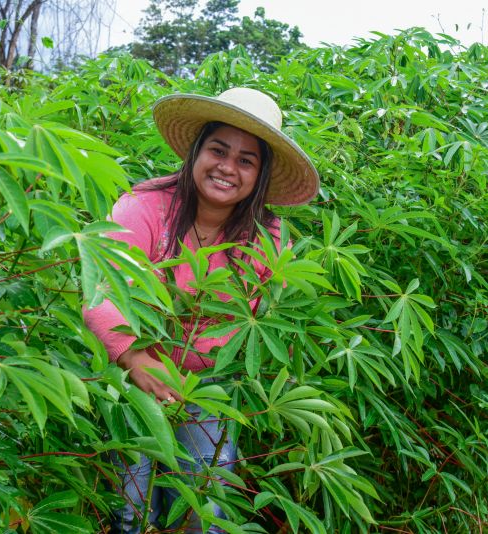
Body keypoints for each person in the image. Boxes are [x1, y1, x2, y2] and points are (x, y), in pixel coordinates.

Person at [83, 87, 319, 533]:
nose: (228, 167)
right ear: (197, 151)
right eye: (218, 150)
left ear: (261, 175)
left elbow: (264, 319)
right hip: (129, 376)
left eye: (247, 160)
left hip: (205, 386)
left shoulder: (269, 237)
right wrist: (134, 356)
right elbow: (101, 290)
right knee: (130, 507)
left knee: (203, 507)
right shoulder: (144, 207)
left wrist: (204, 366)